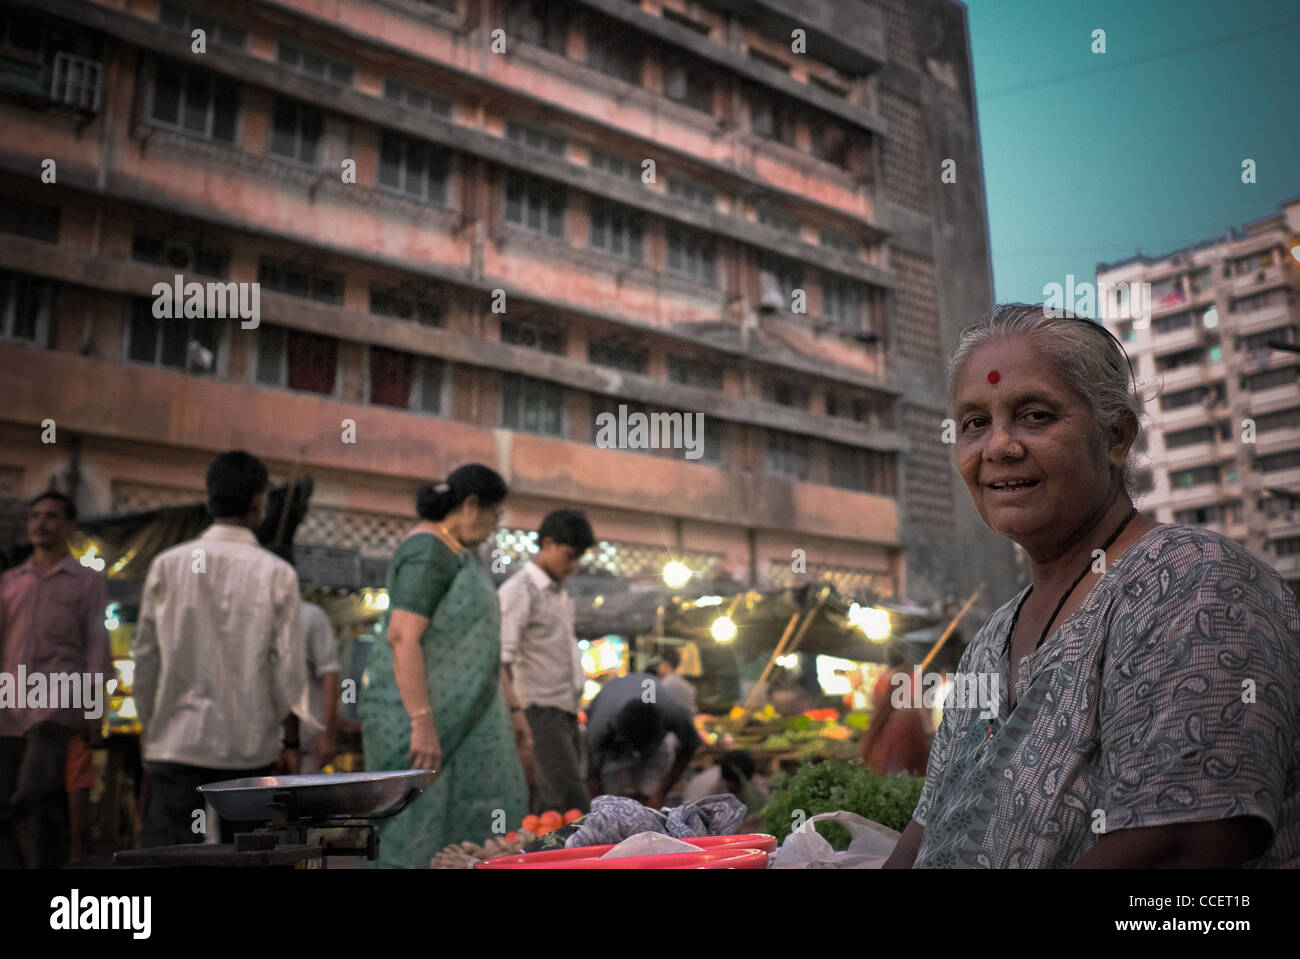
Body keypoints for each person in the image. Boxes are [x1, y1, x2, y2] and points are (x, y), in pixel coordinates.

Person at [884, 304, 1300, 869]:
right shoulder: (990, 640)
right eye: (975, 423)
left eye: (1034, 416)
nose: (998, 447)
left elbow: (1185, 847)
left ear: (1116, 436)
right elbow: (926, 832)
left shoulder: (1193, 581)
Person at [133, 451, 316, 848]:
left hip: (175, 743)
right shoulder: (277, 574)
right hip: (248, 750)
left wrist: (151, 727)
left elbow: (145, 659)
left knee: (171, 855)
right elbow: (289, 673)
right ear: (258, 503)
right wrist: (287, 740)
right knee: (250, 854)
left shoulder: (167, 564)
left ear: (209, 499)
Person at [359, 464, 528, 868]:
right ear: (470, 505)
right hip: (421, 723)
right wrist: (422, 722)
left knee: (472, 823)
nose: (494, 527)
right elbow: (402, 636)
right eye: (495, 515)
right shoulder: (429, 552)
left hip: (470, 718)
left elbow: (484, 647)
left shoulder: (458, 553)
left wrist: (515, 708)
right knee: (418, 828)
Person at [0, 491, 110, 868]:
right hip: (9, 708)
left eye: (50, 516)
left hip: (57, 707)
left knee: (33, 794)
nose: (40, 523)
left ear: (69, 526)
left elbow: (98, 647)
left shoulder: (87, 582)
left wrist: (95, 710)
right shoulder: (11, 583)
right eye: (34, 516)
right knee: (10, 804)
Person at [499, 509, 594, 815]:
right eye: (570, 556)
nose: (574, 566)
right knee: (572, 803)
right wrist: (517, 717)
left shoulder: (559, 593)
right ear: (548, 544)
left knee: (553, 805)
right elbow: (501, 661)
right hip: (538, 710)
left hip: (565, 709)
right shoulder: (518, 591)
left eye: (579, 558)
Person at [585, 672, 702, 808]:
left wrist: (661, 792)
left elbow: (690, 746)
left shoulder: (674, 713)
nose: (638, 755)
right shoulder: (601, 725)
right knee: (615, 799)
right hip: (614, 749)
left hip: (651, 735)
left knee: (651, 799)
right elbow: (592, 774)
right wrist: (604, 810)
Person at [858, 646, 932, 777]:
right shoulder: (910, 675)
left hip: (888, 727)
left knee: (890, 768)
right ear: (903, 656)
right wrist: (929, 726)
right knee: (909, 770)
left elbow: (874, 703)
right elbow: (920, 703)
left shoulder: (882, 678)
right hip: (909, 727)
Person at [681, 749, 766, 812]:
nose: (737, 790)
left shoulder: (752, 781)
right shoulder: (704, 787)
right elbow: (690, 817)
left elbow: (763, 805)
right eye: (733, 788)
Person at [655, 647, 697, 716]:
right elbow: (693, 711)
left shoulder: (663, 686)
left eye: (660, 664)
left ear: (666, 665)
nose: (658, 668)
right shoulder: (688, 686)